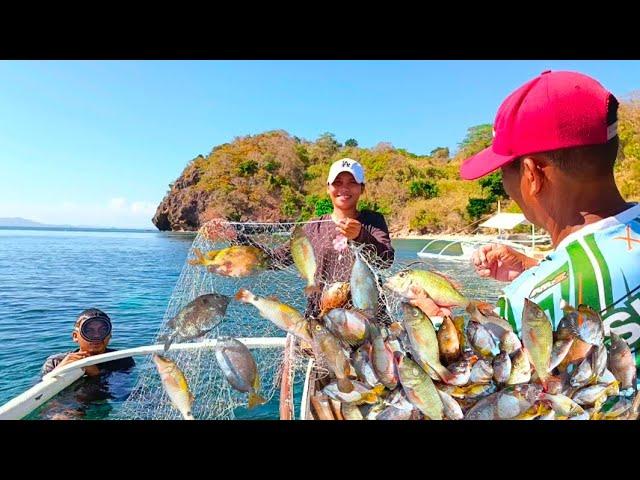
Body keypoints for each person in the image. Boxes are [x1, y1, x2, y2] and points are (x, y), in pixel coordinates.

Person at [444, 70, 639, 357]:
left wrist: (431, 316)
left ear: (531, 174)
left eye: (503, 173)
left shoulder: (524, 303)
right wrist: (536, 267)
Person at [41, 308, 135, 377]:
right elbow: (38, 396)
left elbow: (121, 394)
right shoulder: (55, 362)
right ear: (75, 336)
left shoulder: (121, 360)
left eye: (102, 331)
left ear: (110, 335)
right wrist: (58, 372)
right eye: (89, 331)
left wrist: (96, 375)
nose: (97, 336)